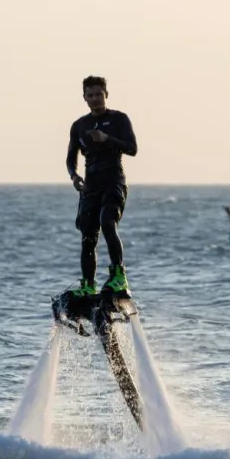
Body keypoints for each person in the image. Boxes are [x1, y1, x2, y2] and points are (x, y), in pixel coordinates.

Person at [65, 76, 138, 297]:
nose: (95, 99)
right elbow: (70, 158)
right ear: (84, 98)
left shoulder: (119, 119)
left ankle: (118, 276)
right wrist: (73, 176)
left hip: (114, 180)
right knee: (88, 236)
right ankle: (88, 284)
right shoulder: (79, 126)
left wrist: (107, 138)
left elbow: (132, 148)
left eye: (99, 94)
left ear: (106, 94)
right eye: (90, 95)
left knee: (107, 222)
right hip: (91, 185)